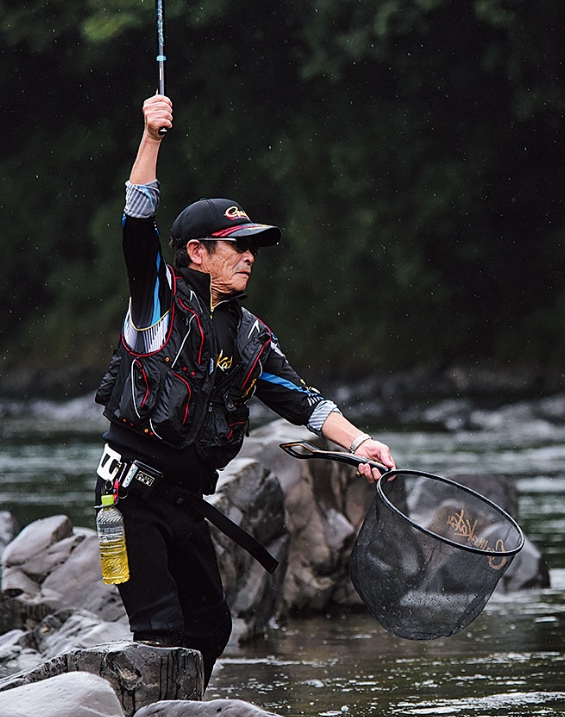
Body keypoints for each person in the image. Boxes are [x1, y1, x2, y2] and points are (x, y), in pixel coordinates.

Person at [94, 93, 395, 685]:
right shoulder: (157, 302)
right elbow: (136, 226)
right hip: (126, 503)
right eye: (238, 245)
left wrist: (362, 444)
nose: (250, 256)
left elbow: (303, 402)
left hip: (184, 503)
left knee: (210, 628)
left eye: (254, 246)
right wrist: (152, 138)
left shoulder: (252, 336)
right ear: (198, 253)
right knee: (159, 634)